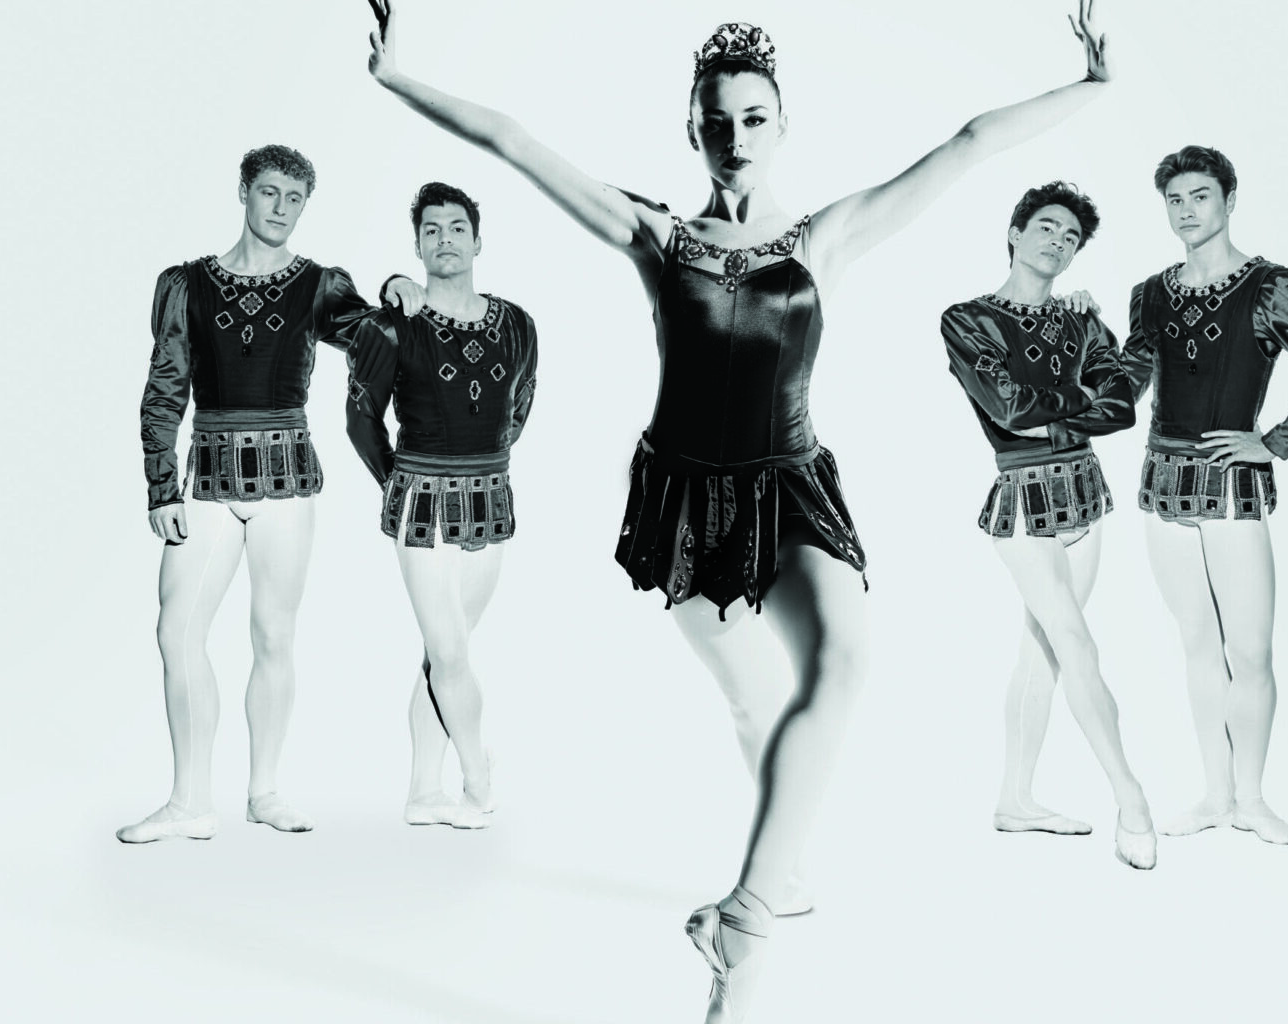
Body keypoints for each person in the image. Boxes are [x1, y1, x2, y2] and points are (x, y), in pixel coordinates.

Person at [364, 3, 1110, 1019]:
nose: (736, 137)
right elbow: (512, 140)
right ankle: (776, 870)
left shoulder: (825, 237)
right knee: (758, 703)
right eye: (717, 120)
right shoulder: (656, 236)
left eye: (754, 118)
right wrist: (395, 77)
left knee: (844, 661)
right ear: (692, 127)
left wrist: (1089, 88)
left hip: (790, 484)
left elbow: (970, 142)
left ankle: (743, 925)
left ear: (782, 123)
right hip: (685, 498)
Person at [119, 144, 372, 843]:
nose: (281, 208)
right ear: (243, 191)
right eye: (269, 192)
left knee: (274, 634)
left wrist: (400, 291)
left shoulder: (319, 286)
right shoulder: (187, 284)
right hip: (206, 480)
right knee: (176, 630)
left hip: (287, 482)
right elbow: (165, 385)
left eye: (295, 199)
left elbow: (377, 339)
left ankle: (265, 792)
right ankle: (189, 802)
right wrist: (160, 485)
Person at [1121, 144, 1288, 846]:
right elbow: (1127, 383)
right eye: (1174, 200)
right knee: (1197, 645)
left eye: (1199, 196)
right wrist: (1081, 345)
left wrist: (1276, 441)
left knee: (1250, 651)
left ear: (1229, 200)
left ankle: (1253, 800)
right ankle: (1214, 794)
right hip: (1163, 487)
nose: (1186, 210)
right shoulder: (1149, 293)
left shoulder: (1269, 287)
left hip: (1233, 488)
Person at [939, 181, 1154, 869]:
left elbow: (1121, 408)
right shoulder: (967, 319)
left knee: (1043, 653)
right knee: (1076, 642)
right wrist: (1080, 396)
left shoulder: (1081, 321)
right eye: (1047, 228)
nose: (1058, 242)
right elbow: (1008, 409)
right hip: (1023, 502)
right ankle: (1131, 798)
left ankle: (1016, 799)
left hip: (1085, 499)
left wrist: (1063, 405)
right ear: (1014, 232)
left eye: (1070, 237)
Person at [346, 182, 539, 830]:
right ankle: (479, 780)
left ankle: (423, 791)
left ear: (478, 241)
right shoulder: (390, 325)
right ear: (418, 245)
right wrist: (398, 485)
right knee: (452, 654)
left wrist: (486, 455)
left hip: (489, 504)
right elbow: (360, 418)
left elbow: (521, 402)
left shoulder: (518, 323)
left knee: (440, 656)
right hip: (420, 508)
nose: (445, 239)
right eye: (432, 230)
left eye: (457, 228)